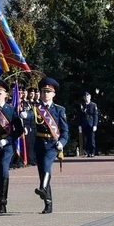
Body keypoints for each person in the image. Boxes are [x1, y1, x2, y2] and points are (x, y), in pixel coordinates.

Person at [33, 77, 69, 215]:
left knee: (47, 165)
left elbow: (65, 131)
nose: (45, 94)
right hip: (39, 143)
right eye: (43, 91)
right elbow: (30, 118)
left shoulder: (60, 110)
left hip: (53, 144)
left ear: (54, 94)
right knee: (42, 171)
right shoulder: (36, 108)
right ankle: (48, 203)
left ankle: (42, 188)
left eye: (48, 92)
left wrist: (62, 142)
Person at [0, 81, 22, 215]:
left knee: (3, 169)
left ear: (6, 95)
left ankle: (3, 201)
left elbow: (19, 129)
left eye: (0, 93)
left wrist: (8, 140)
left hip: (7, 145)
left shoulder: (10, 110)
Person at [78, 92, 99, 157]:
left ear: (90, 97)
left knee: (92, 139)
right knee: (85, 139)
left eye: (88, 97)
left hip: (91, 124)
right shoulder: (82, 105)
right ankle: (86, 152)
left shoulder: (93, 105)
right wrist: (79, 125)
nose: (86, 98)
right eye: (85, 97)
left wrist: (95, 125)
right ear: (84, 98)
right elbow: (79, 116)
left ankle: (92, 152)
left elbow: (95, 115)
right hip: (84, 124)